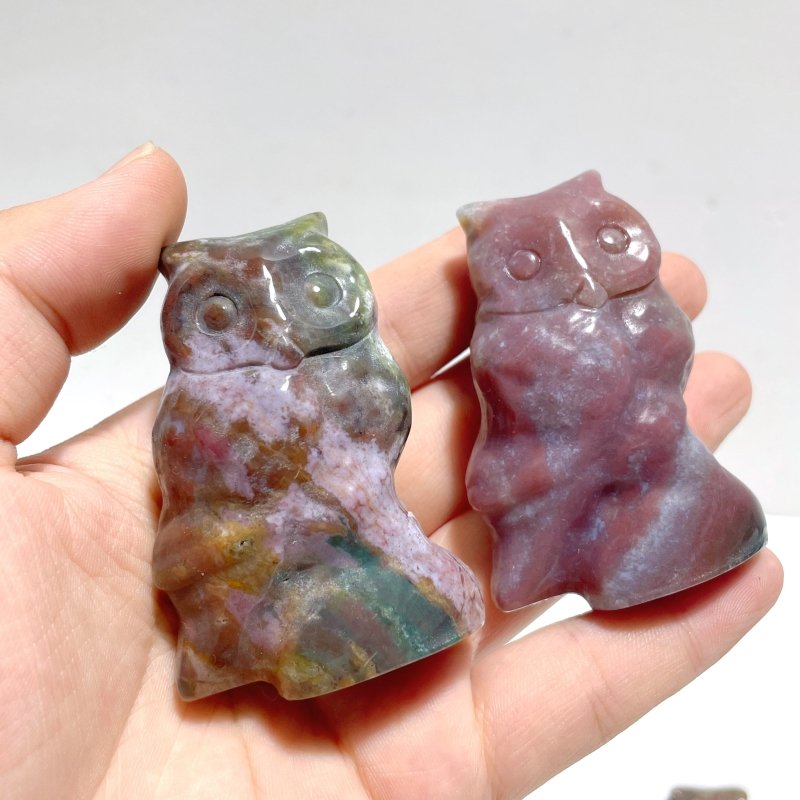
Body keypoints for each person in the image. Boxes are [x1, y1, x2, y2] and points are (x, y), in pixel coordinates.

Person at [0, 144, 783, 799]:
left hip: (593, 491)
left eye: (312, 292)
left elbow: (371, 489)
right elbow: (311, 501)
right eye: (221, 314)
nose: (277, 333)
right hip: (265, 567)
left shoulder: (372, 368)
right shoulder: (205, 405)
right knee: (380, 591)